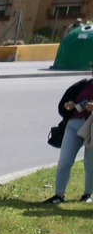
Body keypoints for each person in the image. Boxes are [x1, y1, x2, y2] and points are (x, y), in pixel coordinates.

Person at [44, 74, 93, 204]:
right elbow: (64, 105)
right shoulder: (83, 85)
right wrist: (68, 106)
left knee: (90, 164)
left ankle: (87, 194)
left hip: (92, 129)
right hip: (74, 125)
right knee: (65, 161)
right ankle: (59, 195)